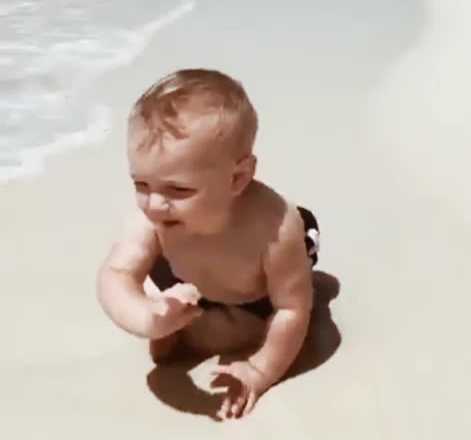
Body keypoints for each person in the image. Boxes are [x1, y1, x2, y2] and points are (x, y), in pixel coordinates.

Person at [97, 69, 320, 419]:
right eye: (141, 184)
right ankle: (183, 316)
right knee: (168, 309)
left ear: (237, 178)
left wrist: (260, 371)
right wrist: (147, 318)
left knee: (244, 332)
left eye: (178, 189)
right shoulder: (154, 217)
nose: (154, 204)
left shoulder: (273, 228)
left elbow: (292, 309)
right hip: (185, 275)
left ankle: (207, 321)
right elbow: (116, 274)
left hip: (255, 294)